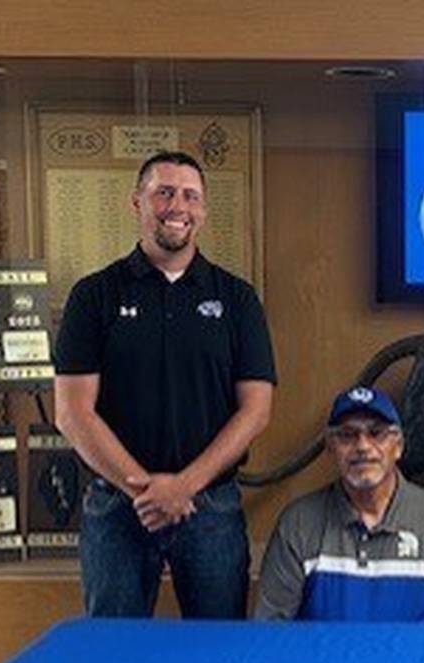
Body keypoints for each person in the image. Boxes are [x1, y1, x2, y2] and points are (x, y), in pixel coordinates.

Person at [54, 150, 276, 619]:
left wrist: (184, 487)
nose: (178, 206)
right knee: (115, 659)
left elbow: (256, 409)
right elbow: (73, 413)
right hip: (118, 507)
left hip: (211, 508)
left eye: (190, 196)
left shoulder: (236, 298)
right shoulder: (94, 295)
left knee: (217, 656)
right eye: (165, 192)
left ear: (204, 210)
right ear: (138, 202)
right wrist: (146, 492)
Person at [254, 386, 424, 621]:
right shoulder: (298, 524)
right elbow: (271, 631)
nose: (362, 446)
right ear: (331, 448)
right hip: (322, 658)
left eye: (377, 433)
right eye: (348, 435)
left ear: (399, 447)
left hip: (413, 659)